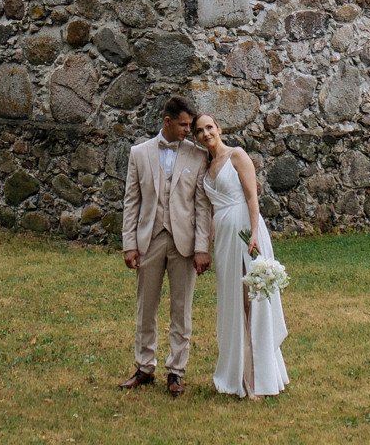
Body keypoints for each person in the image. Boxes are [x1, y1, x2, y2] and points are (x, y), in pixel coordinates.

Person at [119, 97, 214, 396]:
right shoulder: (139, 153)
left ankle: (176, 371)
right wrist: (129, 244)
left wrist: (202, 247)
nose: (190, 130)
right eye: (184, 125)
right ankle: (144, 367)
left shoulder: (198, 157)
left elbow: (202, 206)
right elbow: (131, 201)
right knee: (146, 307)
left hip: (184, 243)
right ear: (167, 122)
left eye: (191, 125)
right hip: (149, 240)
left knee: (181, 309)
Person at [193, 113, 289, 400]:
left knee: (252, 302)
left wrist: (256, 234)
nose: (206, 133)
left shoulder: (237, 155)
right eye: (199, 131)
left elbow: (251, 197)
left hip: (246, 232)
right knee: (232, 301)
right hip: (223, 237)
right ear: (196, 137)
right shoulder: (206, 167)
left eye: (210, 127)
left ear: (219, 129)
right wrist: (206, 246)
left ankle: (256, 379)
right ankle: (233, 373)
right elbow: (212, 211)